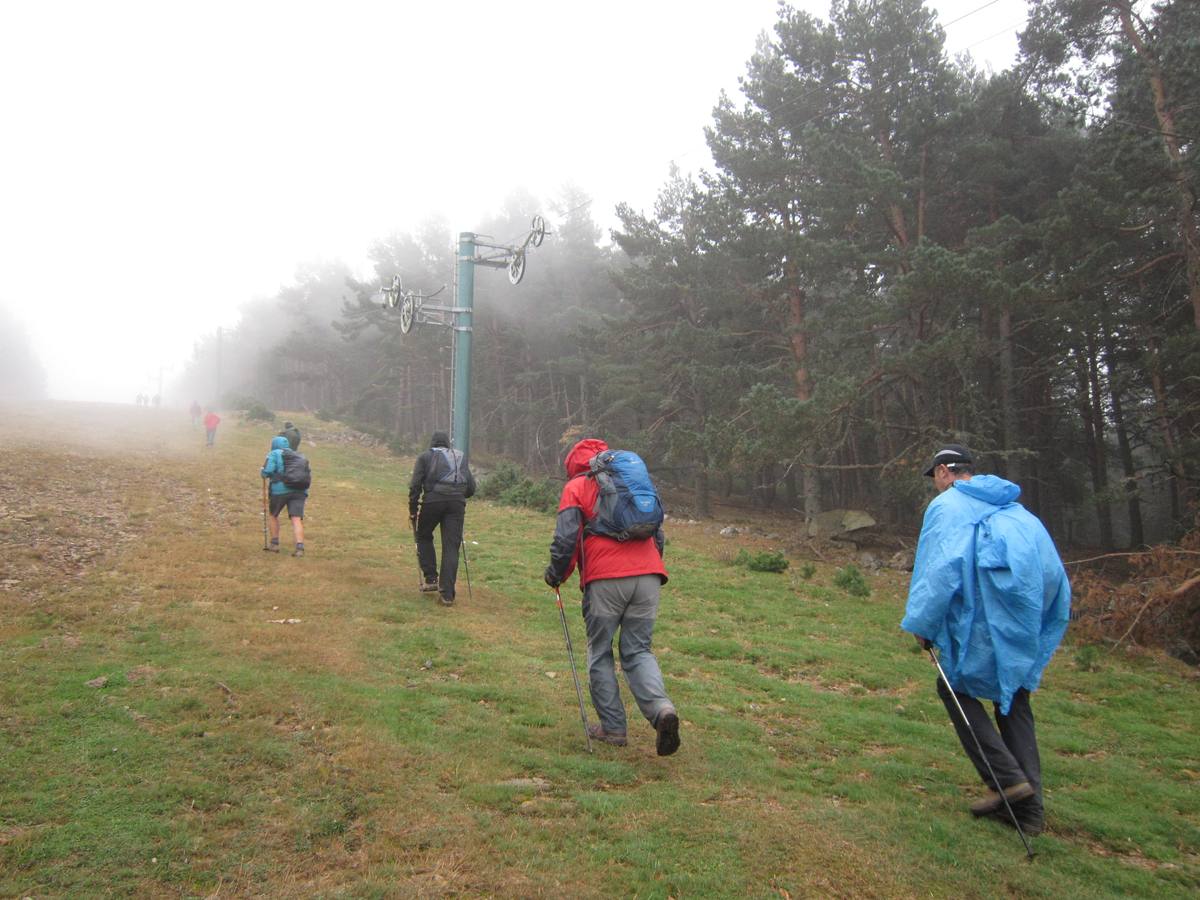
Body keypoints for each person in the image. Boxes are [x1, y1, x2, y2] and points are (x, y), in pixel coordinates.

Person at [901, 444, 1070, 836]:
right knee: (1013, 696)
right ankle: (1030, 812)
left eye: (935, 477)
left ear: (944, 471)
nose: (935, 486)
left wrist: (923, 623)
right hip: (1026, 613)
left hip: (987, 615)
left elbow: (940, 569)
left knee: (953, 686)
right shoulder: (1013, 506)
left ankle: (1008, 781)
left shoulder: (948, 507)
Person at [542, 438, 680, 757]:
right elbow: (656, 530)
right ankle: (662, 710)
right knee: (638, 650)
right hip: (648, 576)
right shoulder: (633, 480)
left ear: (574, 466)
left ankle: (613, 728)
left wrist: (556, 574)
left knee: (600, 650)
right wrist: (648, 566)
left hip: (606, 579)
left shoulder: (578, 486)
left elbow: (566, 539)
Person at [408, 431, 476, 606]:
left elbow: (415, 485)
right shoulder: (459, 458)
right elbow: (471, 489)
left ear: (432, 444)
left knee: (423, 535)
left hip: (432, 502)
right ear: (447, 445)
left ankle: (431, 578)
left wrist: (413, 509)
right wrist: (457, 496)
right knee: (451, 546)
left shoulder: (425, 457)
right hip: (456, 505)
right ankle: (447, 595)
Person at [261, 435, 308, 557]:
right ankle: (299, 548)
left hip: (280, 490)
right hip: (299, 490)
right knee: (296, 518)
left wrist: (262, 471)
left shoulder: (274, 453)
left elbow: (268, 471)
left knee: (273, 515)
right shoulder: (298, 455)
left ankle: (274, 544)